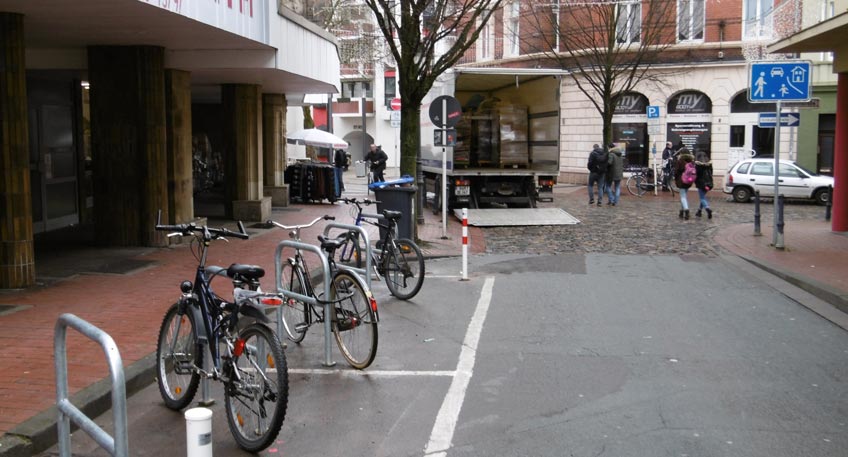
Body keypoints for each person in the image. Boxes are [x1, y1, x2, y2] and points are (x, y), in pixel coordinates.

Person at [674, 146, 695, 219]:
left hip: (681, 180)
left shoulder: (680, 161)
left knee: (683, 197)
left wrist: (675, 179)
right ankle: (681, 211)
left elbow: (676, 171)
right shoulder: (691, 161)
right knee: (684, 196)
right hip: (688, 181)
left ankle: (686, 210)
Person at [694, 150, 714, 219]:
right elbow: (711, 173)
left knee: (702, 198)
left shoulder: (698, 165)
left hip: (701, 183)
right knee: (703, 197)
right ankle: (699, 211)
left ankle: (708, 209)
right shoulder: (709, 165)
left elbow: (697, 175)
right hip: (709, 183)